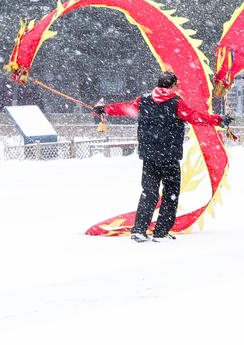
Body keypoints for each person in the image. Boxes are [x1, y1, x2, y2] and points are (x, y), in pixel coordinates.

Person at [94, 71, 225, 243]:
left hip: (149, 155)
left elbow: (123, 108)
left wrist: (103, 109)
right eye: (176, 85)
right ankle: (161, 231)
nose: (178, 88)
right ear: (171, 86)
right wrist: (218, 120)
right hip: (169, 155)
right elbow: (195, 117)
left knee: (148, 193)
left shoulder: (143, 100)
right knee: (171, 192)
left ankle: (139, 230)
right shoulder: (176, 103)